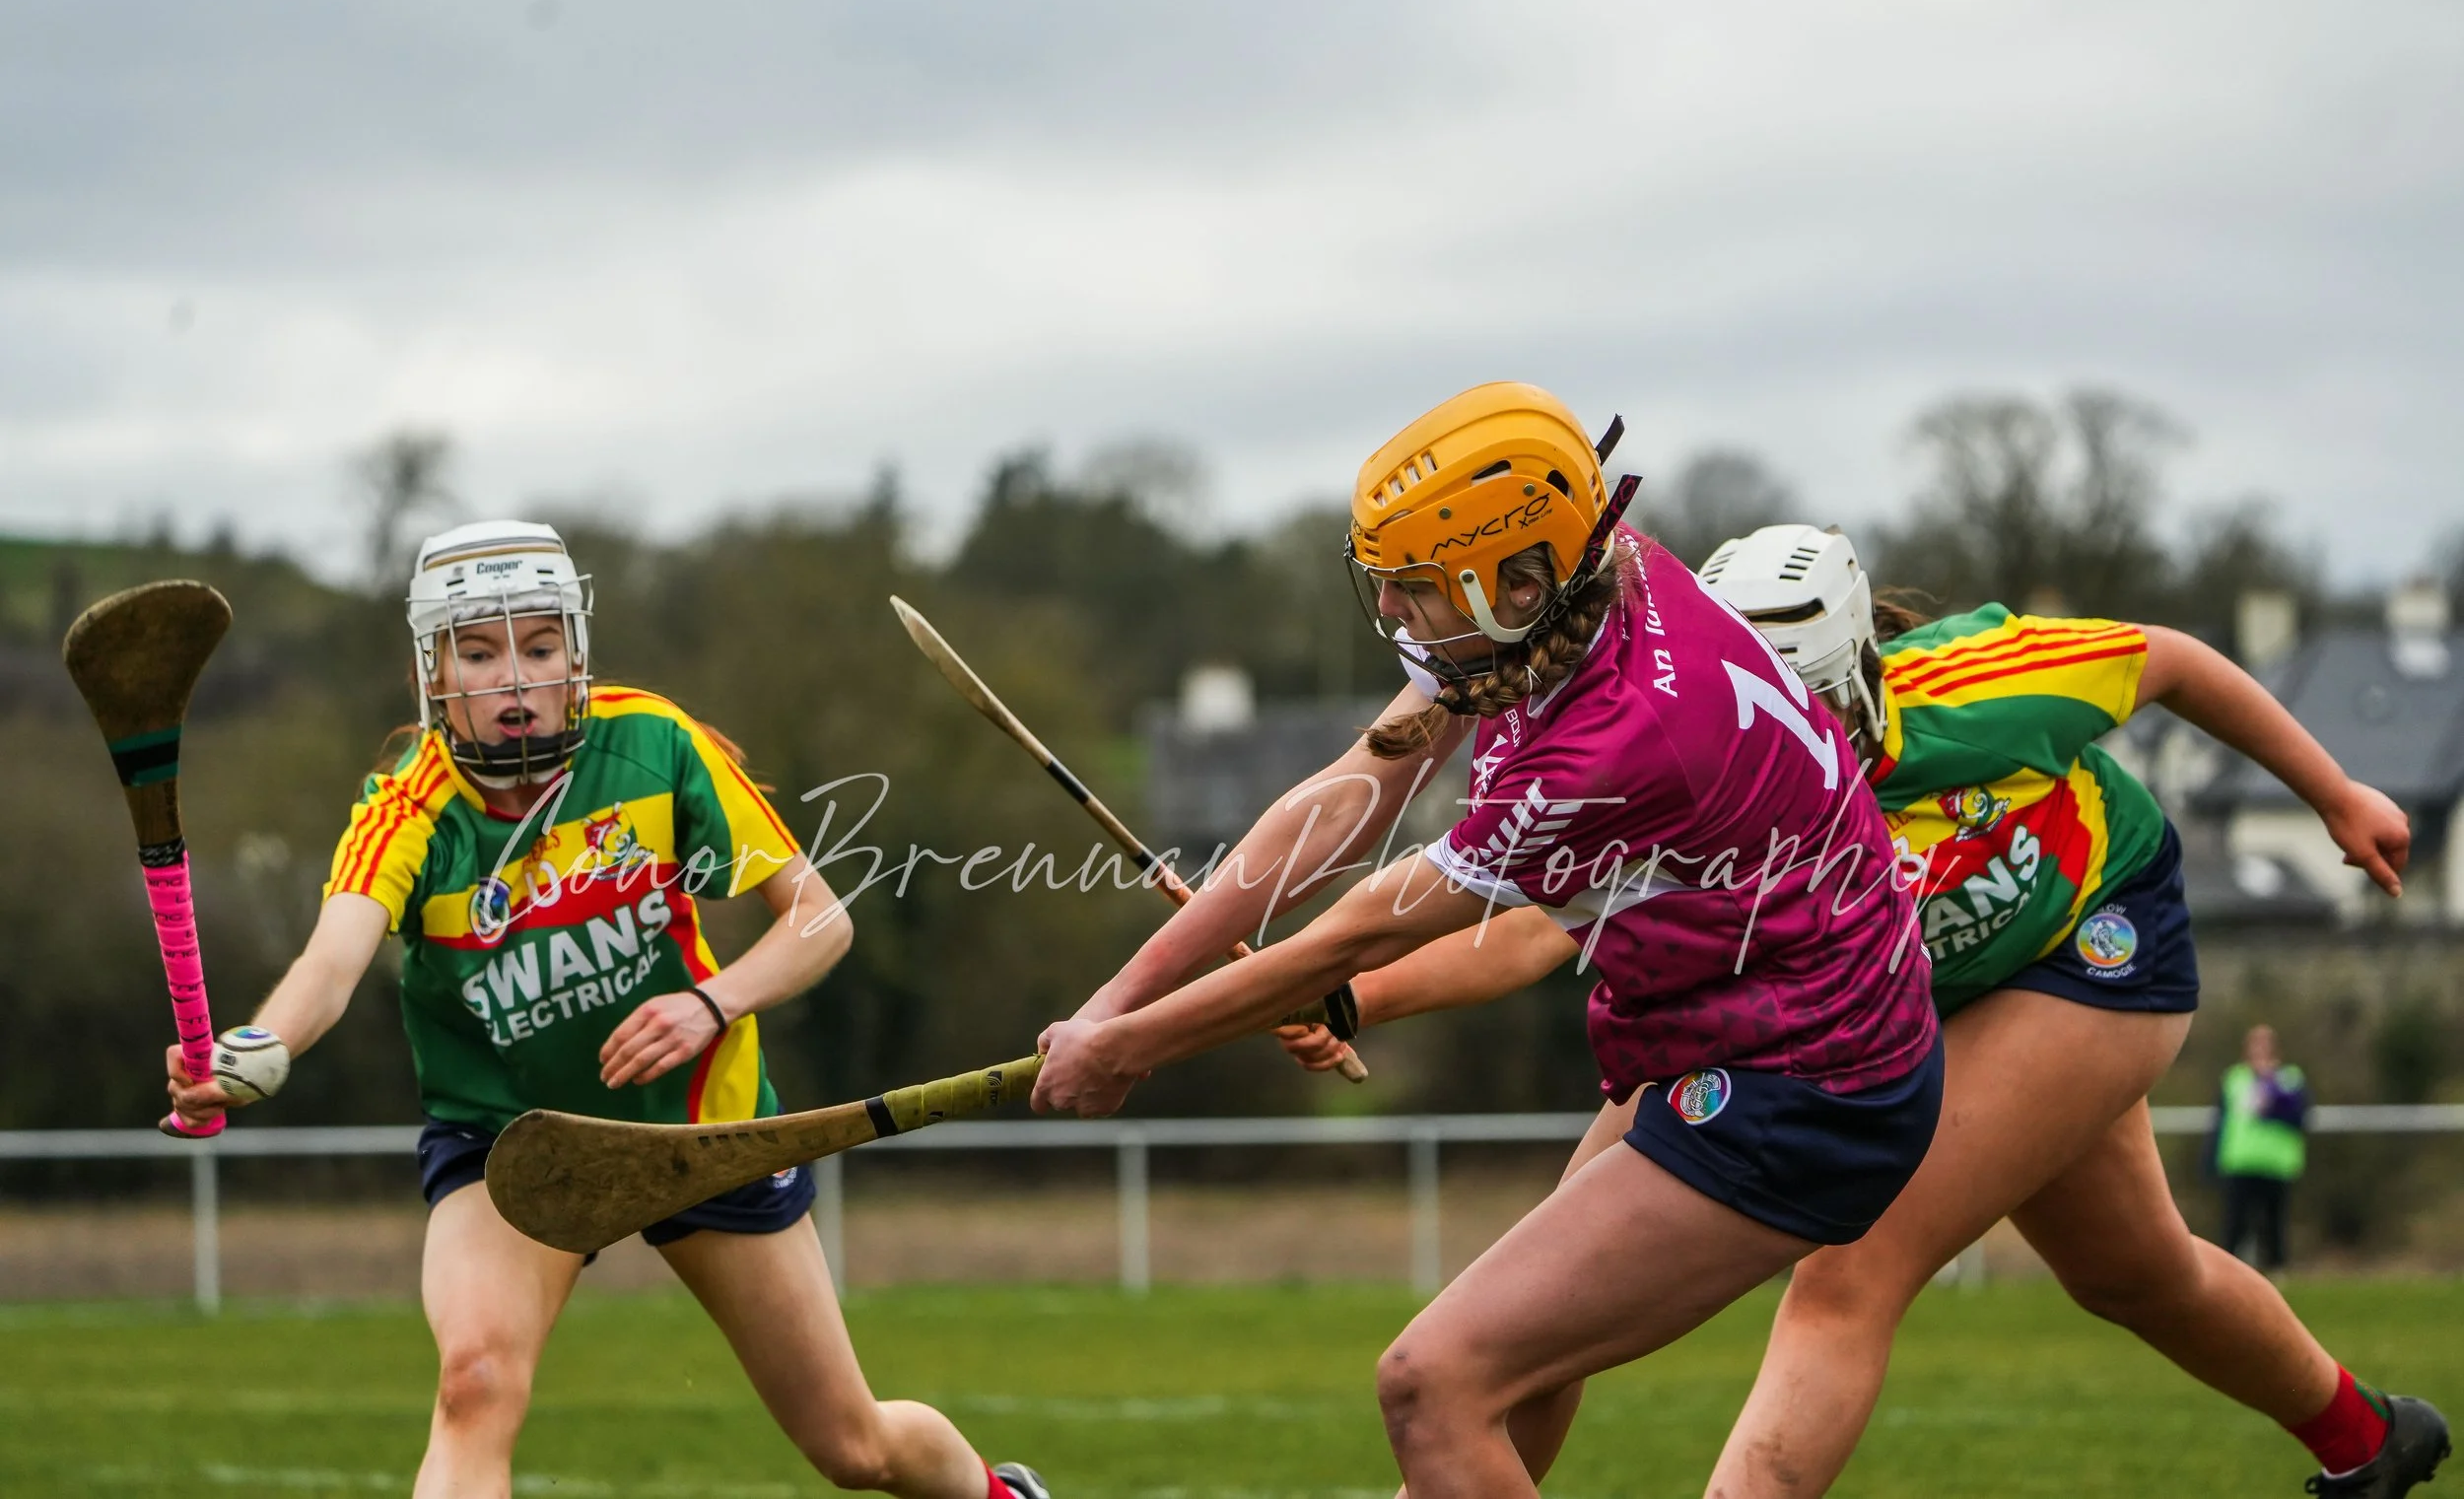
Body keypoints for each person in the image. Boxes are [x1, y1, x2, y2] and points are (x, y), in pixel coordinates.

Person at [1282, 521, 2449, 1498]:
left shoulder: (1980, 687)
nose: (1761, 737)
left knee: (1854, 1265)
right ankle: (2371, 1442)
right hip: (1880, 1003)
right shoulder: (1691, 768)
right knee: (2134, 1273)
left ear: (1856, 678)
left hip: (2086, 946)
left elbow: (2175, 660)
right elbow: (1536, 926)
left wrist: (2336, 795)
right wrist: (1352, 992)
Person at [1034, 384, 1944, 1499]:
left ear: (1516, 581)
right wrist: (1112, 1003)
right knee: (1506, 1377)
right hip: (1735, 1032)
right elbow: (1354, 791)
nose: (1394, 612)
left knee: (1433, 1382)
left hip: (1807, 1085)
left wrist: (1127, 1050)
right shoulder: (1589, 587)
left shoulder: (1612, 744)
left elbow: (1353, 933)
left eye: (1416, 587)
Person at [166, 519, 1047, 1499]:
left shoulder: (653, 742)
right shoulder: (406, 813)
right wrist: (258, 1046)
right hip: (515, 1142)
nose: (514, 679)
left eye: (540, 647)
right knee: (474, 1383)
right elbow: (330, 963)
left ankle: (998, 1493)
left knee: (854, 1446)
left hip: (703, 1128)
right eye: (479, 652)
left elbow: (820, 918)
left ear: (577, 652)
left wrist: (711, 1003)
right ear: (432, 670)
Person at [2217, 1023, 2311, 1272]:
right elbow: (2221, 1121)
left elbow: (2300, 1116)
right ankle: (2228, 1273)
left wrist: (2272, 1101)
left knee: (2273, 1224)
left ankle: (2277, 1272)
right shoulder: (2235, 1078)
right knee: (2235, 1223)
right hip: (2240, 1161)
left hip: (2276, 1162)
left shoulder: (2289, 1078)